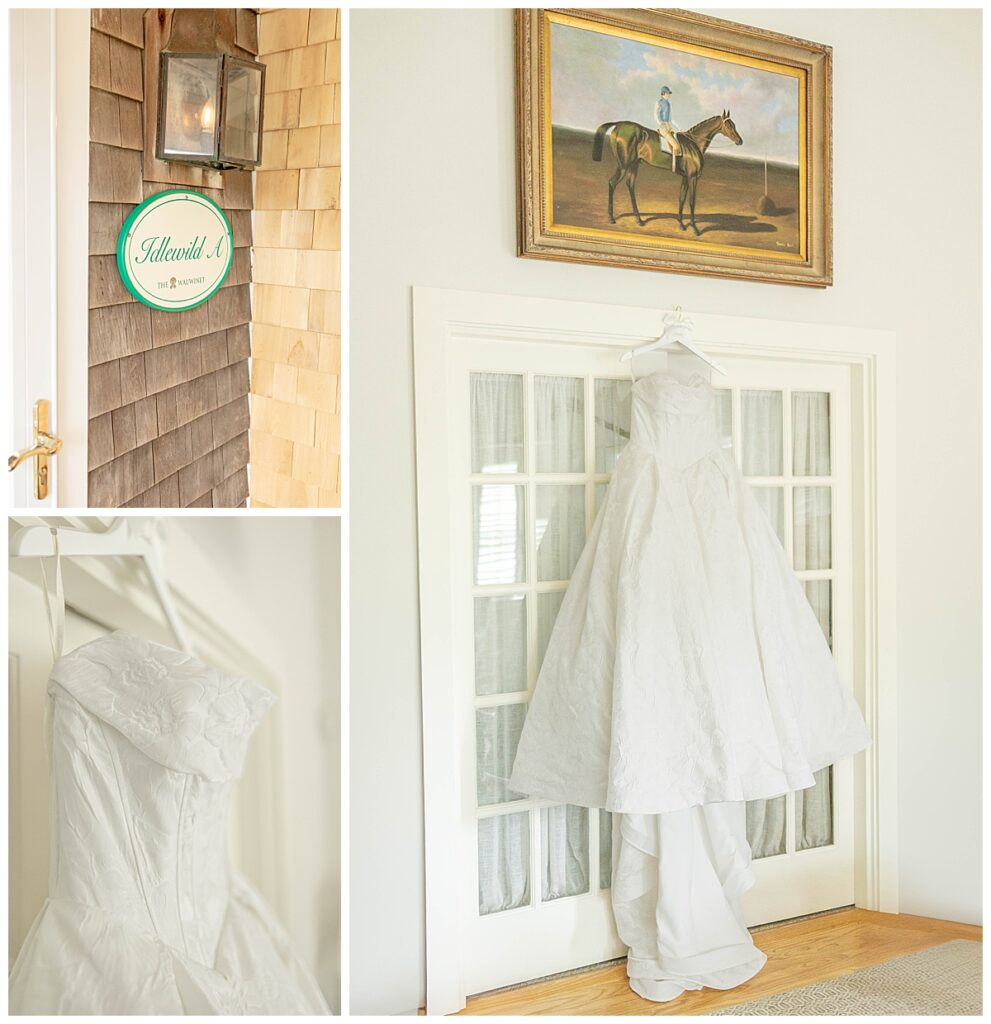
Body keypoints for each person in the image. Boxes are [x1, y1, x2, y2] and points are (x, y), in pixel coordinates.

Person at [655, 85, 681, 172]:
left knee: (676, 147)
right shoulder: (658, 102)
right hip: (663, 127)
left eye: (669, 93)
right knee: (676, 147)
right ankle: (675, 167)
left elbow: (671, 119)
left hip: (669, 127)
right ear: (664, 93)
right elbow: (655, 115)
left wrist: (679, 128)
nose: (669, 95)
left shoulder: (669, 104)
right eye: (668, 93)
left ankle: (675, 165)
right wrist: (660, 123)